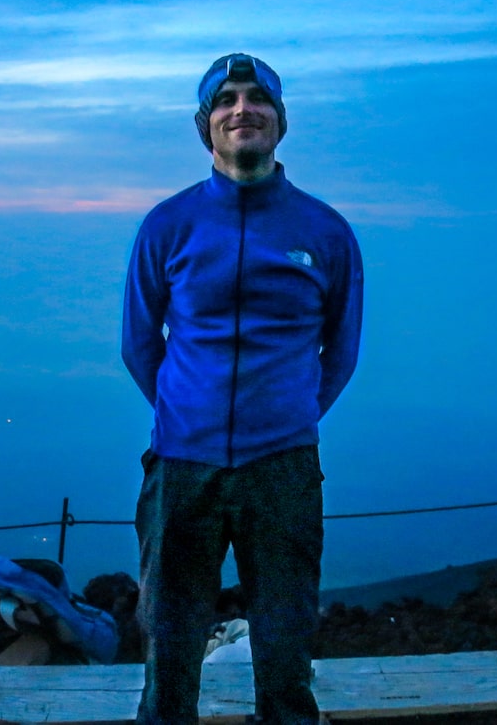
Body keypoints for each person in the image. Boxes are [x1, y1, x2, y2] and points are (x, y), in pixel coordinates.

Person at [121, 53, 364, 724]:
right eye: (225, 100)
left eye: (257, 97)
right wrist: (187, 413)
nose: (241, 109)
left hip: (282, 468)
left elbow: (341, 347)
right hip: (181, 466)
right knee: (169, 645)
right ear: (207, 126)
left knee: (285, 646)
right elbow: (139, 343)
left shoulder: (326, 232)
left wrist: (290, 416)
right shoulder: (167, 226)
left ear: (279, 121)